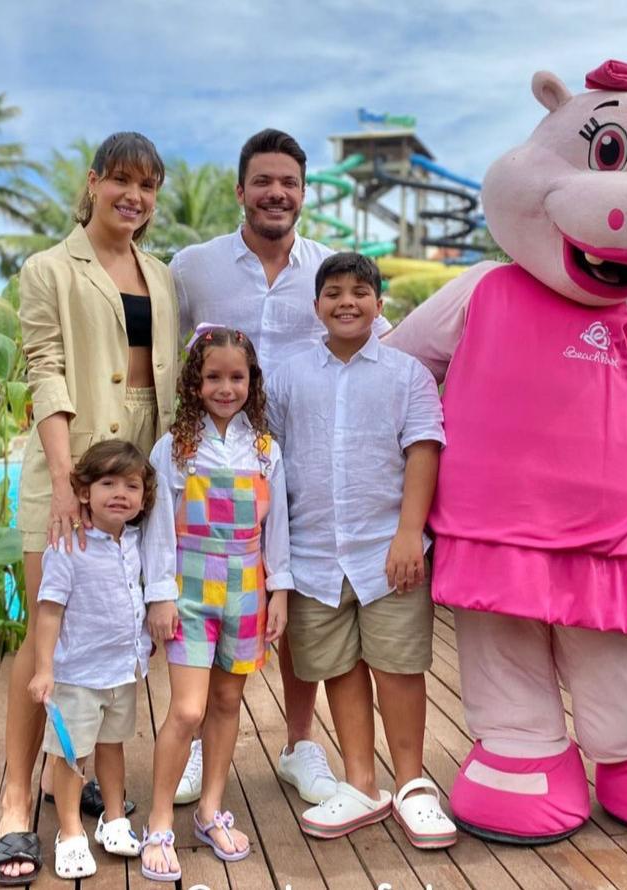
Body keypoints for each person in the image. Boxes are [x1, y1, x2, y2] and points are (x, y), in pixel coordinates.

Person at [169, 128, 389, 806]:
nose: (276, 193)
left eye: (289, 183)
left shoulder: (330, 273)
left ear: (303, 192)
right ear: (240, 191)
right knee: (199, 603)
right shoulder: (192, 266)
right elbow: (157, 356)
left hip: (305, 468)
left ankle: (298, 746)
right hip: (210, 471)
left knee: (297, 608)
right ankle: (198, 743)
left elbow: (381, 352)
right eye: (263, 181)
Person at [0, 132, 179, 886]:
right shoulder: (47, 268)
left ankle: (97, 776)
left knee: (115, 624)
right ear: (93, 183)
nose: (135, 196)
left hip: (139, 466)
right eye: (121, 181)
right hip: (68, 460)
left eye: (148, 186)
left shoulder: (160, 275)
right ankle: (13, 799)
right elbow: (47, 369)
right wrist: (65, 479)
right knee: (47, 635)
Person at [267, 253, 456, 848]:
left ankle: (412, 783)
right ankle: (360, 782)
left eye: (359, 292)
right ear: (316, 304)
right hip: (313, 553)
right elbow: (268, 456)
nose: (347, 302)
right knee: (339, 667)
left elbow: (423, 449)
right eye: (333, 293)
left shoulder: (407, 374)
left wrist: (409, 533)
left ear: (379, 302)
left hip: (387, 552)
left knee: (397, 664)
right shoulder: (288, 375)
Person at [139, 326, 291, 880]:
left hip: (248, 588)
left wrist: (280, 592)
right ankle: (159, 820)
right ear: (194, 382)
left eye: (237, 377)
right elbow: (157, 530)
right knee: (187, 710)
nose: (225, 388)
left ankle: (208, 809)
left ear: (251, 382)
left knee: (228, 705)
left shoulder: (265, 449)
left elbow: (279, 529)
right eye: (213, 377)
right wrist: (159, 595)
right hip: (191, 590)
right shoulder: (175, 448)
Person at [27, 441, 157, 878]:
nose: (120, 492)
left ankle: (114, 818)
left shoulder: (136, 542)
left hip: (122, 671)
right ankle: (69, 833)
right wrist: (44, 668)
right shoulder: (69, 546)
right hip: (78, 674)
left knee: (113, 746)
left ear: (143, 496)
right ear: (84, 492)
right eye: (108, 483)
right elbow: (49, 611)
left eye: (131, 485)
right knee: (69, 756)